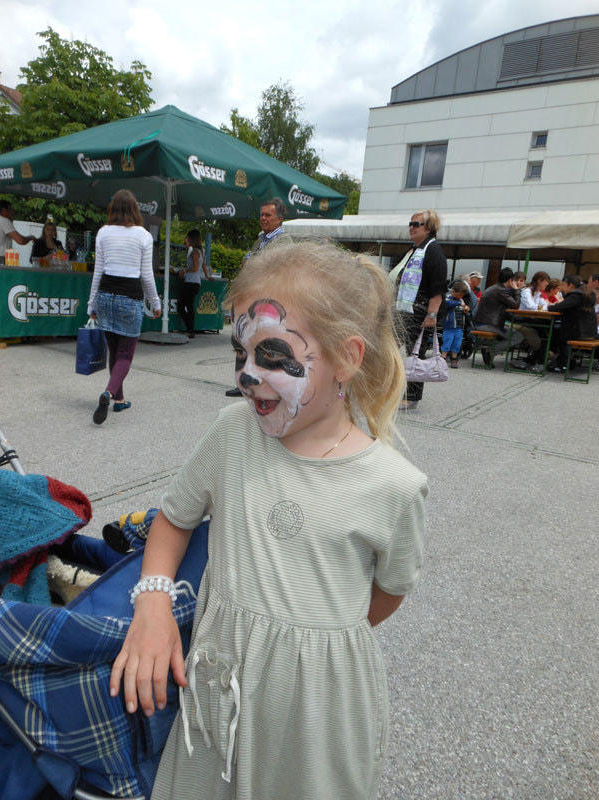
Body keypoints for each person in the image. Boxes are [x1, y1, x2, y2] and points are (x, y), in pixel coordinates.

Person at [110, 240, 427, 800]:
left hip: (318, 718)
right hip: (216, 692)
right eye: (240, 353)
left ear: (347, 357)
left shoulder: (394, 485)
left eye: (273, 355)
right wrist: (153, 604)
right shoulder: (232, 434)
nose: (248, 375)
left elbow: (386, 594)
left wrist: (309, 637)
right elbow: (174, 519)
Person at [87, 189, 161, 424]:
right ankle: (109, 393)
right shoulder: (143, 236)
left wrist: (91, 304)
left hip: (105, 296)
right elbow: (147, 276)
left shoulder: (103, 232)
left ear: (113, 210)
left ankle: (119, 399)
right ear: (135, 210)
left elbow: (97, 272)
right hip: (130, 298)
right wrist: (155, 302)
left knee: (114, 351)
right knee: (125, 355)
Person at [225, 197, 288, 397]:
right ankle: (246, 382)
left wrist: (251, 264)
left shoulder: (283, 242)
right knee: (248, 340)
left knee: (265, 342)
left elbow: (272, 270)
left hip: (269, 301)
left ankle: (266, 383)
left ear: (279, 219)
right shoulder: (261, 239)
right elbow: (249, 263)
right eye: (261, 215)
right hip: (254, 298)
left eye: (268, 215)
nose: (263, 218)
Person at [394, 209, 447, 408]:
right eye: (410, 223)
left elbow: (437, 288)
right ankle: (387, 388)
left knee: (414, 353)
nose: (411, 227)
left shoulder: (433, 252)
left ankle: (411, 396)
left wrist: (432, 314)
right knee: (389, 347)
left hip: (419, 309)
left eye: (416, 224)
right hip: (402, 308)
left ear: (429, 228)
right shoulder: (413, 250)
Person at [475, 267, 542, 368]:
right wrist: (517, 290)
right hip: (487, 324)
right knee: (517, 336)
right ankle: (490, 352)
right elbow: (515, 305)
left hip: (487, 322)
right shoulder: (500, 290)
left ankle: (490, 352)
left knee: (517, 334)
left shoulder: (497, 288)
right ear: (510, 280)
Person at [547, 274, 597, 372]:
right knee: (557, 331)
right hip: (588, 331)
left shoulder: (575, 296)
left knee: (555, 333)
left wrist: (549, 306)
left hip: (579, 332)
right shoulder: (586, 294)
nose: (562, 287)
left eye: (563, 284)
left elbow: (558, 307)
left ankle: (562, 364)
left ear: (570, 285)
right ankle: (566, 362)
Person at [177, 229, 211, 338]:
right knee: (188, 306)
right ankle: (190, 329)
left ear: (192, 239)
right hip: (196, 282)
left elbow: (195, 268)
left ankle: (190, 330)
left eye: (188, 237)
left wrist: (184, 271)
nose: (186, 239)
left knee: (182, 307)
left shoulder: (194, 252)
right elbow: (203, 266)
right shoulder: (200, 251)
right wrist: (207, 276)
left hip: (191, 282)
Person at [441, 280, 470, 367]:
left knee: (457, 344)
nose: (460, 297)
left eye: (462, 295)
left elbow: (465, 308)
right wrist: (459, 303)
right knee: (447, 342)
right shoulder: (448, 298)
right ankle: (443, 358)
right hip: (449, 326)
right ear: (453, 291)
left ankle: (454, 359)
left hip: (459, 327)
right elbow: (448, 304)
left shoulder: (460, 300)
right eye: (459, 295)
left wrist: (466, 309)